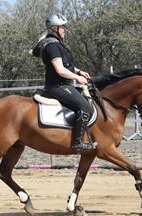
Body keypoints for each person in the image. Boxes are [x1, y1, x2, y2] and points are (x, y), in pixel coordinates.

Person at [33, 13, 94, 152]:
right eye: (63, 27)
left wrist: (79, 71)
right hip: (57, 86)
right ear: (54, 28)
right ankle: (78, 143)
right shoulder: (52, 46)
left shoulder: (58, 44)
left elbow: (66, 65)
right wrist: (77, 78)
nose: (65, 29)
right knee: (85, 107)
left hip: (64, 84)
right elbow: (60, 70)